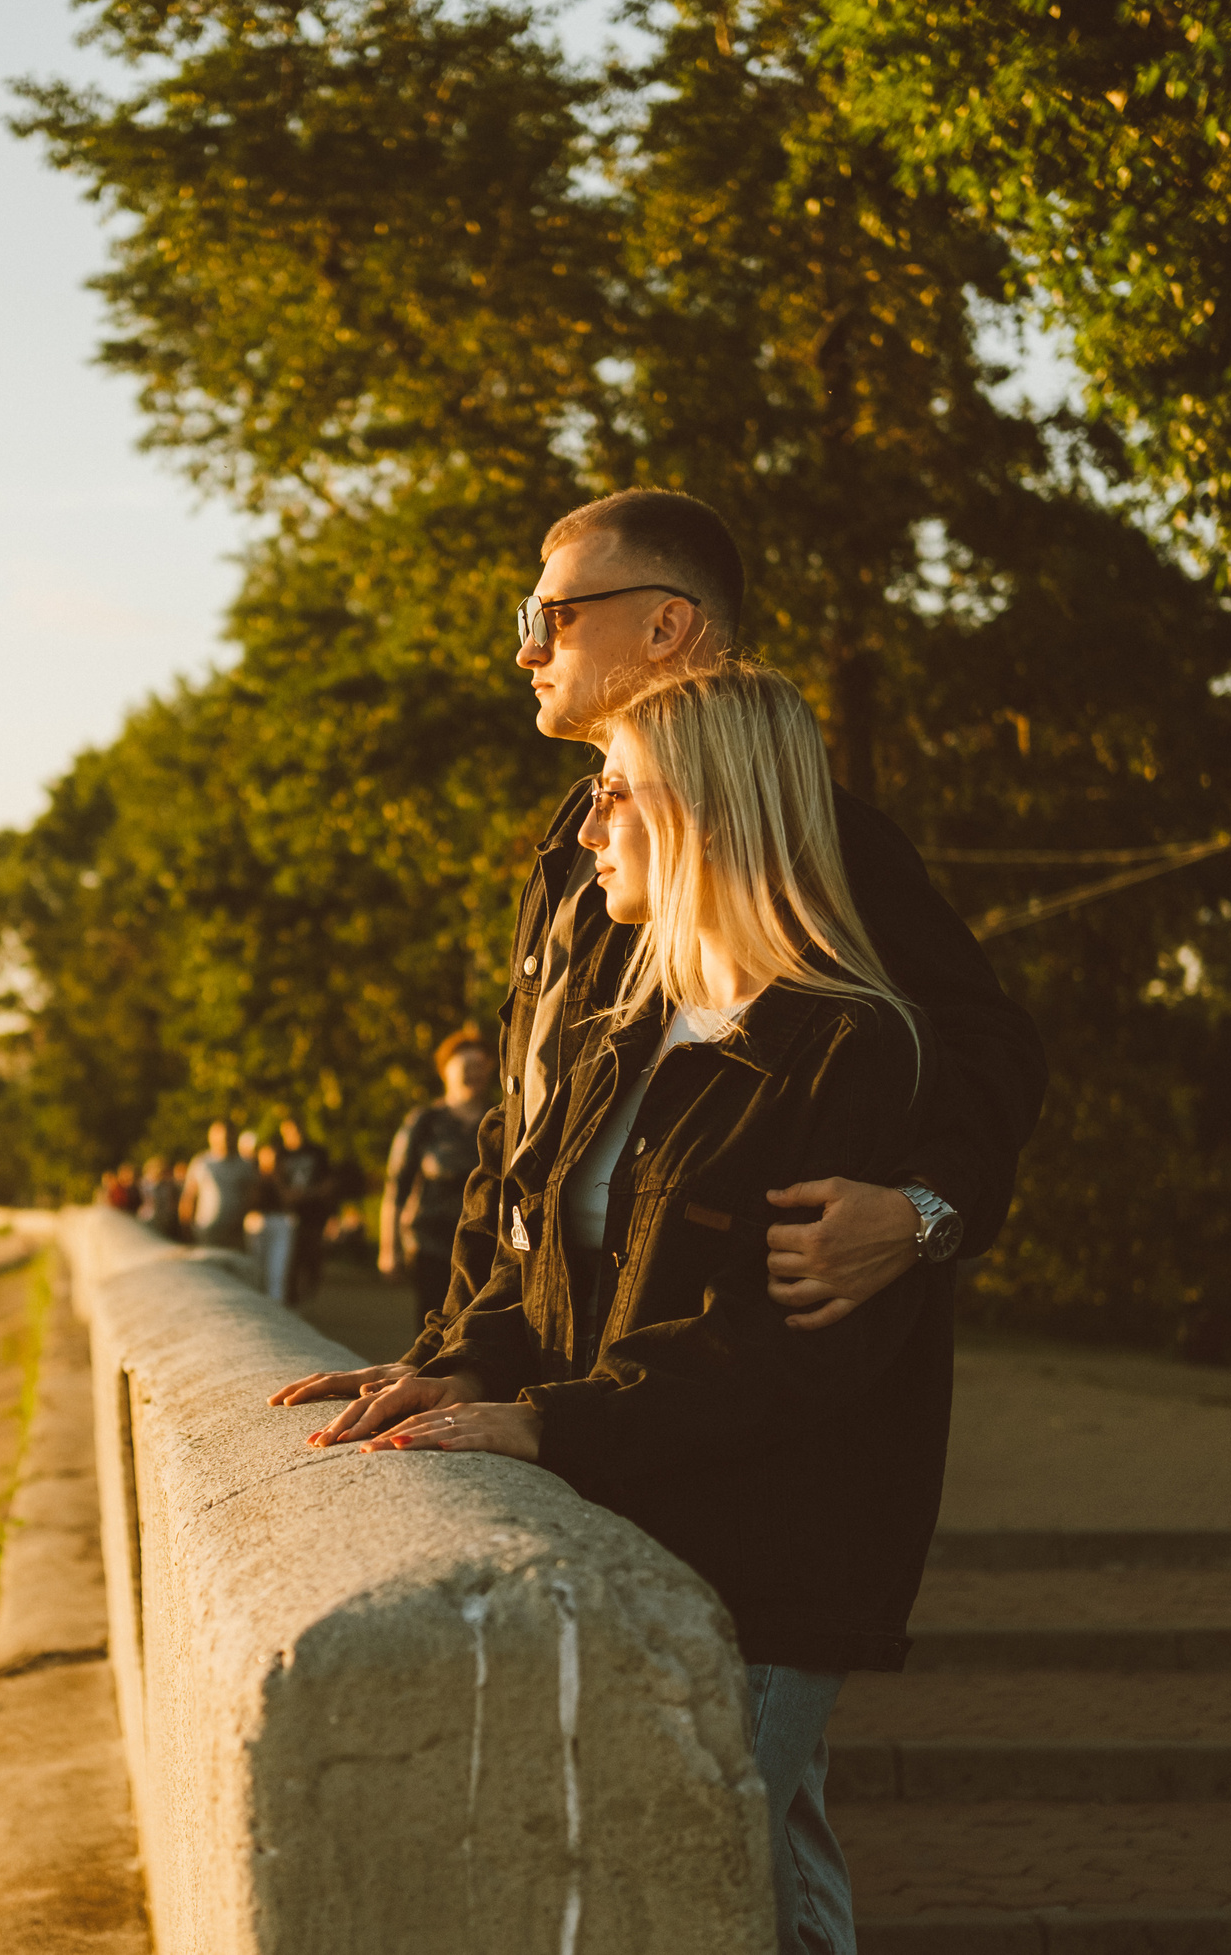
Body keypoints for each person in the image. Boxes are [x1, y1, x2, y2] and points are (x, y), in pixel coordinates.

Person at [316, 661, 954, 1954]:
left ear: (710, 809)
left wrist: (549, 1421)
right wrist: (463, 1364)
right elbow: (540, 1248)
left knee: (721, 1878)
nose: (589, 822)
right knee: (736, 1879)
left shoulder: (849, 1047)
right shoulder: (627, 1029)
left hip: (767, 1562)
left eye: (618, 790)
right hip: (627, 1516)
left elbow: (783, 1352)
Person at [277, 487, 1043, 1403]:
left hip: (725, 1457)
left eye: (552, 615)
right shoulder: (579, 845)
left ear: (666, 625)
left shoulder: (803, 841)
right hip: (558, 1386)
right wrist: (446, 1355)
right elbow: (523, 1134)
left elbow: (985, 1051)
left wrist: (923, 1214)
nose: (527, 648)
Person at [379, 1030, 495, 1330]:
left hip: (485, 1248)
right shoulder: (425, 1121)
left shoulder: (499, 1121)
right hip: (432, 1246)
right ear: (446, 1071)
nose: (474, 1073)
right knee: (432, 1328)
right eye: (465, 1066)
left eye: (480, 1066)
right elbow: (396, 1187)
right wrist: (389, 1249)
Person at [271, 1116, 335, 1304]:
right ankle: (291, 1301)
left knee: (312, 1260)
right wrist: (307, 1193)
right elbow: (281, 1189)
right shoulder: (281, 1154)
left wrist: (306, 1194)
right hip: (288, 1217)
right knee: (290, 1261)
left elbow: (328, 1186)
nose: (294, 1135)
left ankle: (305, 1298)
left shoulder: (318, 1153)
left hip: (314, 1216)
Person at [179, 1119, 258, 1251]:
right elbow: (189, 1196)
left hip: (235, 1233)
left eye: (229, 1135)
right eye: (221, 1136)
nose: (225, 1140)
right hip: (207, 1232)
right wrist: (185, 1228)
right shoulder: (202, 1163)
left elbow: (253, 1198)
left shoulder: (245, 1165)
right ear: (211, 1137)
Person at [247, 1140, 295, 1303]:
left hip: (281, 1222)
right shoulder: (251, 1174)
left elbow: (289, 1200)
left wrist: (277, 1178)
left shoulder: (286, 1176)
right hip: (256, 1222)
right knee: (256, 1271)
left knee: (277, 1272)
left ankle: (276, 1309)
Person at [137, 1156, 183, 1241]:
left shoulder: (168, 1184)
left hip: (166, 1217)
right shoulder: (144, 1184)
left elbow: (173, 1199)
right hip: (149, 1218)